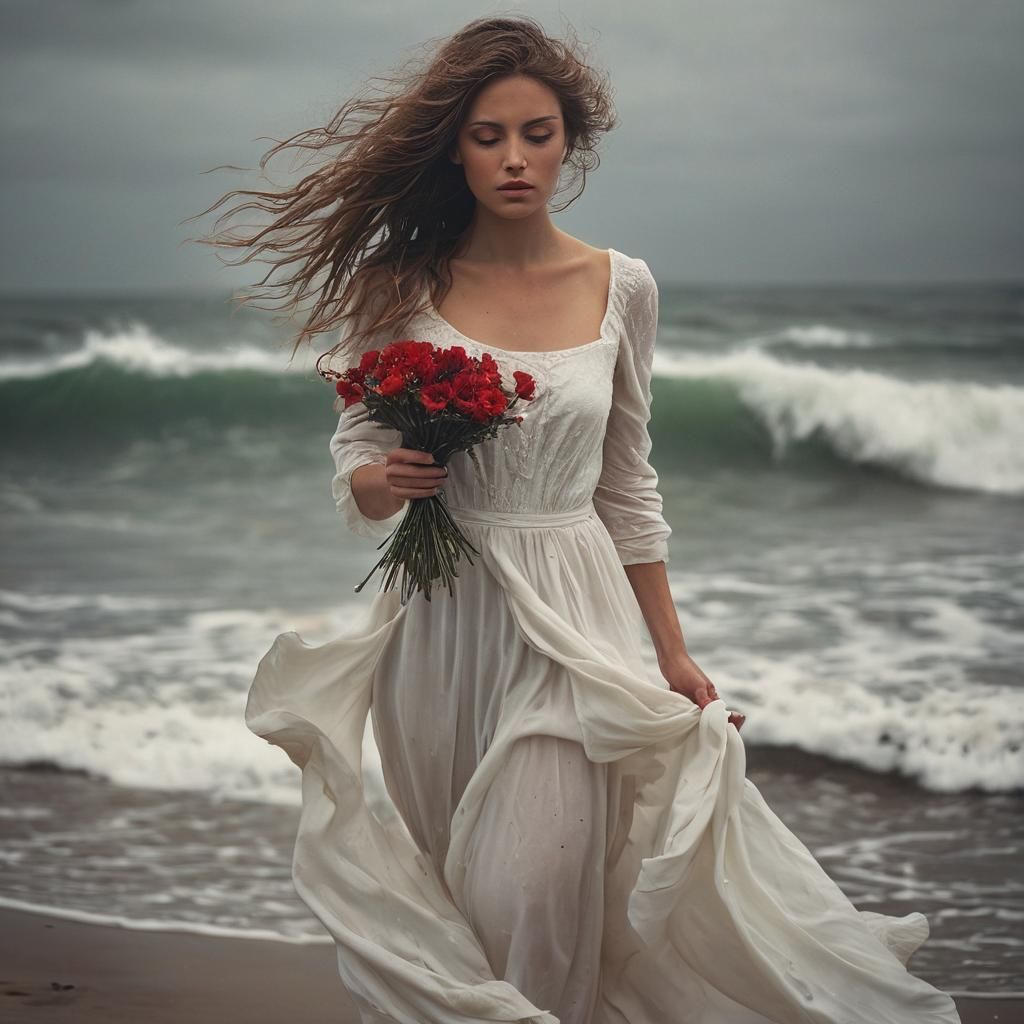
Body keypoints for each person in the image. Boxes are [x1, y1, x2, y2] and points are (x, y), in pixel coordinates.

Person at [200, 15, 962, 1024]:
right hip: (441, 624)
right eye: (488, 137)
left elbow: (627, 483)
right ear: (456, 150)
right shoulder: (401, 286)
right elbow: (356, 455)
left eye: (538, 134)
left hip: (575, 612)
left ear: (572, 143)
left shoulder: (621, 286)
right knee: (477, 898)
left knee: (537, 883)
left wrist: (672, 653)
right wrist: (393, 478)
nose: (515, 158)